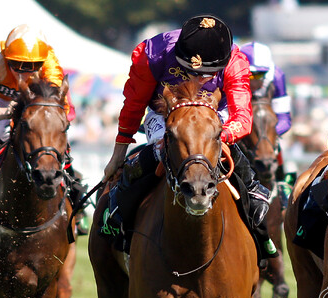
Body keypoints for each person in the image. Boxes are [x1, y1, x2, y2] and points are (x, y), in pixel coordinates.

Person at [102, 15, 275, 259]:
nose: (199, 78)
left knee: (216, 146)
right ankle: (120, 211)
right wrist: (117, 155)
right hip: (163, 113)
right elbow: (134, 104)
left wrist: (215, 135)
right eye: (192, 70)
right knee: (162, 146)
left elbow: (243, 118)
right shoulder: (152, 53)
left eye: (208, 73)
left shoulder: (235, 61)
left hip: (214, 113)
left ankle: (254, 201)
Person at [0, 24, 86, 228]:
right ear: (6, 58)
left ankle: (75, 190)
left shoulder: (49, 59)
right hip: (1, 102)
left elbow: (59, 101)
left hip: (36, 102)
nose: (24, 73)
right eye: (16, 65)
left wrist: (55, 118)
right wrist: (3, 112)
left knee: (50, 136)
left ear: (41, 62)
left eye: (32, 66)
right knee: (1, 133)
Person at [239, 41, 296, 205]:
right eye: (251, 76)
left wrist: (267, 135)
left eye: (260, 75)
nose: (255, 81)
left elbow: (285, 119)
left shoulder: (277, 77)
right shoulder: (232, 74)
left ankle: (283, 191)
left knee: (273, 147)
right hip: (239, 124)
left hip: (265, 124)